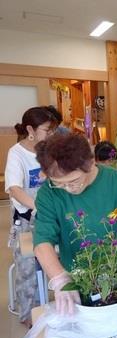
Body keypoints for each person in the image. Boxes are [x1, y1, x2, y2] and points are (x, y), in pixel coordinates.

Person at [33, 133, 117, 314]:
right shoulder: (48, 193)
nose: (68, 188)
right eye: (59, 183)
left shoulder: (116, 181)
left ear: (90, 164)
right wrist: (60, 279)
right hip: (81, 281)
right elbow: (42, 240)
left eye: (73, 181)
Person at [4, 107, 56, 326]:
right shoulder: (16, 153)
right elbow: (14, 189)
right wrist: (38, 207)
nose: (51, 135)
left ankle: (53, 301)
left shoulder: (47, 149)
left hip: (49, 213)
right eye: (47, 130)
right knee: (27, 266)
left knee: (52, 259)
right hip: (27, 216)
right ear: (30, 130)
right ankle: (29, 315)